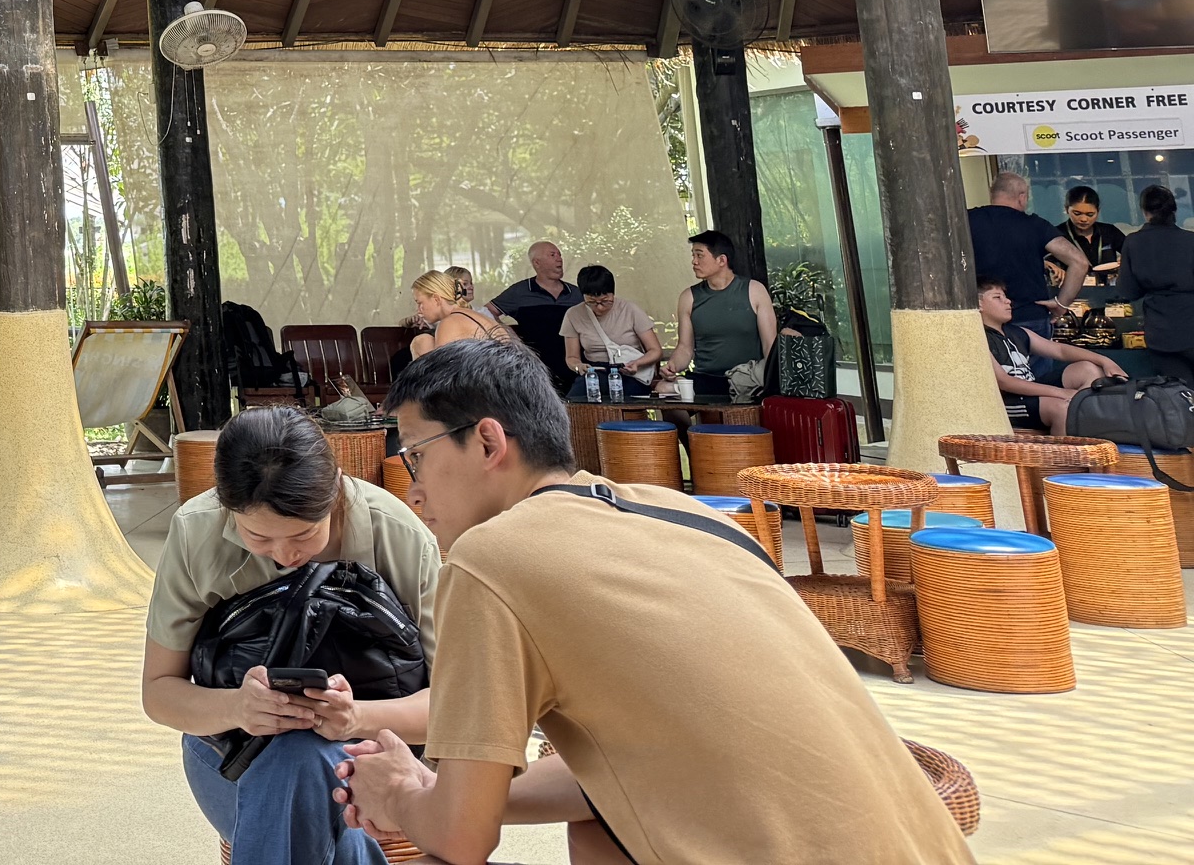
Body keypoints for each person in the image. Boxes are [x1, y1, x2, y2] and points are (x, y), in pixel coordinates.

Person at [332, 342, 970, 865]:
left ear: (489, 442)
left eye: (415, 456)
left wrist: (401, 797)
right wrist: (440, 790)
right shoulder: (686, 514)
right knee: (604, 827)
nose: (412, 490)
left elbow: (460, 840)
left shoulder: (490, 557)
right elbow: (651, 762)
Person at [145, 406, 438, 865]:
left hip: (382, 755)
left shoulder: (398, 535)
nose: (285, 554)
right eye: (258, 537)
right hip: (234, 755)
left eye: (304, 534)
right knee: (298, 766)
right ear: (226, 505)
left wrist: (354, 717)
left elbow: (458, 707)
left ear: (336, 489)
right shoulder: (196, 531)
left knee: (301, 764)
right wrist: (238, 708)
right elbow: (159, 692)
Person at [978, 275, 1116, 431]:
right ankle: (1066, 445)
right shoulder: (978, 337)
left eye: (1005, 296)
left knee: (1089, 369)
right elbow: (1004, 382)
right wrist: (1062, 393)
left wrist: (1105, 361)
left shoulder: (1018, 332)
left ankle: (1084, 427)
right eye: (997, 297)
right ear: (978, 304)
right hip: (1006, 402)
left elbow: (1060, 350)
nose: (1008, 301)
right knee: (1062, 408)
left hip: (1031, 394)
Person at [968, 165, 1090, 322]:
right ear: (1022, 197)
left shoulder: (968, 220)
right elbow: (1079, 262)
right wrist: (1061, 303)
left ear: (993, 195)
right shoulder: (1035, 225)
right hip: (1030, 315)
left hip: (983, 315)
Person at [667, 231, 774, 403]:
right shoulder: (688, 297)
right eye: (693, 255)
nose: (694, 261)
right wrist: (673, 365)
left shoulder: (754, 290)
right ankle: (689, 422)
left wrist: (772, 381)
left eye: (700, 255)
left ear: (722, 260)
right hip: (705, 378)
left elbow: (770, 345)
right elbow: (685, 348)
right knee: (663, 389)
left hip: (746, 378)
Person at [1110, 183, 1194, 386]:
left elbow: (1128, 291)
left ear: (1144, 211)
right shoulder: (1191, 240)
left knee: (1179, 393)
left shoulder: (1133, 242)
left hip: (1161, 332)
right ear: (1174, 210)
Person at [491, 245, 583, 393]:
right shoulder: (519, 291)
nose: (559, 259)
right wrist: (508, 334)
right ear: (536, 262)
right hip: (535, 370)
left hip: (573, 367)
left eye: (559, 254)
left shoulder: (576, 293)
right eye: (552, 255)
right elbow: (487, 313)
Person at [558, 266, 662, 396]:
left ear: (613, 293)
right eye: (592, 302)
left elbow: (655, 350)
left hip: (629, 371)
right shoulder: (573, 314)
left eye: (605, 301)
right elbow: (571, 357)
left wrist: (637, 364)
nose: (600, 307)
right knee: (575, 399)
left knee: (630, 399)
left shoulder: (630, 309)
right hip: (595, 371)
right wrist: (579, 366)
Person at [406, 268, 511, 360]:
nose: (418, 310)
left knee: (421, 342)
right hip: (504, 371)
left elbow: (444, 372)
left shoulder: (451, 322)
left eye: (419, 303)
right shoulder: (470, 315)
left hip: (491, 374)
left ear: (436, 299)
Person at [1055, 184, 1128, 285]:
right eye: (1077, 213)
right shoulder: (1056, 235)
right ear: (1067, 209)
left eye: (1090, 214)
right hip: (1072, 290)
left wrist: (1126, 259)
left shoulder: (1109, 231)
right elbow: (1036, 259)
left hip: (1109, 288)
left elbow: (1133, 252)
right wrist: (1048, 265)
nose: (1084, 219)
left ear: (1098, 211)